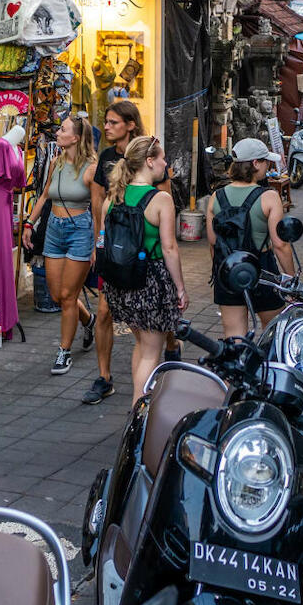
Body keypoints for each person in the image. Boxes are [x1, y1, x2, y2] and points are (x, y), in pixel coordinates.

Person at [101, 135, 187, 404]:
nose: (165, 162)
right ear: (149, 162)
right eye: (161, 157)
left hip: (120, 282)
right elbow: (170, 249)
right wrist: (181, 288)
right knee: (152, 352)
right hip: (151, 283)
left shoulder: (112, 197)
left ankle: (138, 407)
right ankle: (138, 410)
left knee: (142, 344)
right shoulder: (160, 199)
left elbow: (103, 242)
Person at [24, 112, 98, 377]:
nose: (57, 133)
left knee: (68, 296)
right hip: (54, 229)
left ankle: (64, 351)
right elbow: (44, 196)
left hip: (80, 231)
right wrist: (29, 223)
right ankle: (89, 321)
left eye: (62, 129)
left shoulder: (92, 167)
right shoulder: (55, 162)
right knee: (57, 295)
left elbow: (99, 210)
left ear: (75, 138)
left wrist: (95, 246)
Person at [207, 138, 296, 338]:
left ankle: (238, 369)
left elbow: (213, 243)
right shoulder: (269, 197)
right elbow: (280, 245)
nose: (268, 166)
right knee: (273, 334)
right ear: (255, 164)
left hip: (228, 271)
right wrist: (290, 281)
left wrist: (221, 270)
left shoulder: (216, 196)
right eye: (265, 162)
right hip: (263, 271)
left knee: (234, 336)